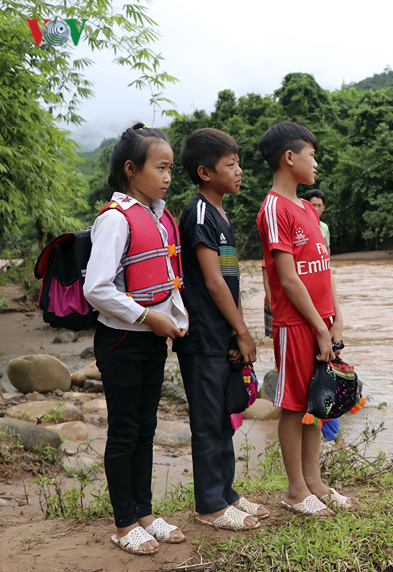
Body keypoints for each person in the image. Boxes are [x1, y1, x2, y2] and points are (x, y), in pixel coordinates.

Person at [83, 123, 188, 555]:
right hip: (122, 341)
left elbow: (165, 278)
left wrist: (173, 320)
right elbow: (97, 288)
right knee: (125, 430)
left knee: (146, 427)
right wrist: (148, 317)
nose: (167, 176)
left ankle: (144, 513)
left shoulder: (159, 216)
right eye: (159, 167)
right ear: (131, 169)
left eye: (170, 168)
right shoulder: (115, 219)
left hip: (150, 339)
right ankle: (125, 523)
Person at [172, 128, 266, 531]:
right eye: (231, 165)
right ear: (205, 172)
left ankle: (226, 493)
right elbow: (212, 283)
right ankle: (210, 505)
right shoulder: (197, 215)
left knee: (223, 416)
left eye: (238, 162)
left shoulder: (221, 214)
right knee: (208, 421)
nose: (239, 170)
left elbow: (231, 281)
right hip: (203, 337)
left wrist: (236, 332)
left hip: (221, 334)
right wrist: (242, 332)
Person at [256, 121, 352, 516]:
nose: (317, 164)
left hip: (322, 323)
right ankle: (296, 490)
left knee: (316, 401)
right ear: (289, 157)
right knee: (295, 405)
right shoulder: (275, 207)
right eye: (312, 155)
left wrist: (336, 319)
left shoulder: (306, 209)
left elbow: (323, 269)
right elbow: (288, 278)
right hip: (296, 324)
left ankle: (315, 482)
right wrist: (317, 326)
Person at [303, 189, 343, 446]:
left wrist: (337, 318)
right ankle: (331, 438)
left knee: (324, 374)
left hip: (323, 307)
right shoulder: (293, 222)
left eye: (319, 205)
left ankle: (333, 437)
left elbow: (325, 267)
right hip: (307, 309)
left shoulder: (323, 229)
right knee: (317, 377)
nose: (316, 209)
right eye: (312, 204)